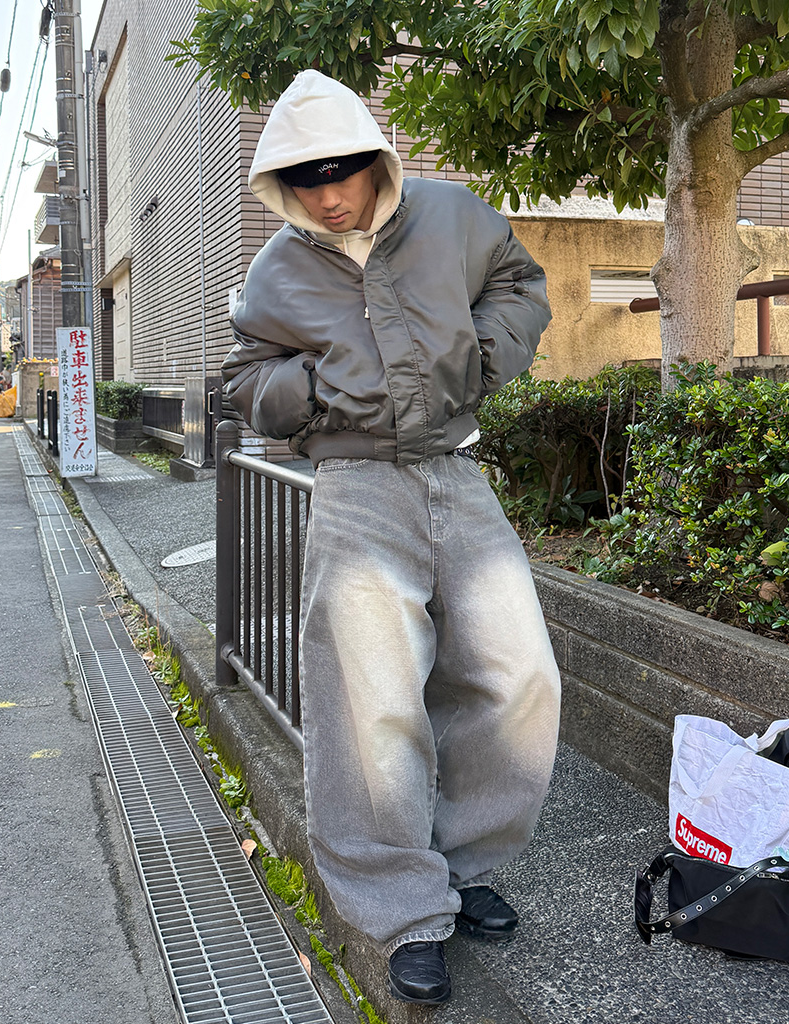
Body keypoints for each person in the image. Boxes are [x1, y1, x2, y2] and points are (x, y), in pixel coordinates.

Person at [222, 70, 561, 1005]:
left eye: (338, 170)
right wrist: (317, 389)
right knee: (368, 696)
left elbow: (520, 283)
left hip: (456, 470)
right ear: (282, 184)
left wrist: (483, 357)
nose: (326, 194)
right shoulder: (278, 266)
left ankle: (462, 863)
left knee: (518, 674)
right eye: (303, 178)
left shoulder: (453, 216)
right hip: (356, 483)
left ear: (375, 159)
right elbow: (245, 376)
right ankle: (404, 911)